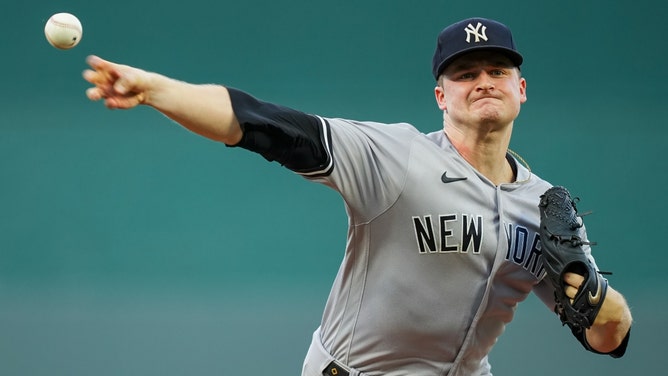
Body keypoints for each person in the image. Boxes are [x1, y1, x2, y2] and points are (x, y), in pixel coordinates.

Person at [83, 17, 632, 376]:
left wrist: (589, 287)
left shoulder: (545, 209)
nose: (483, 80)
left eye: (497, 70)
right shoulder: (398, 156)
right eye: (465, 74)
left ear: (521, 89)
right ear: (442, 95)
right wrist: (156, 90)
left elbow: (610, 337)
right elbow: (267, 125)